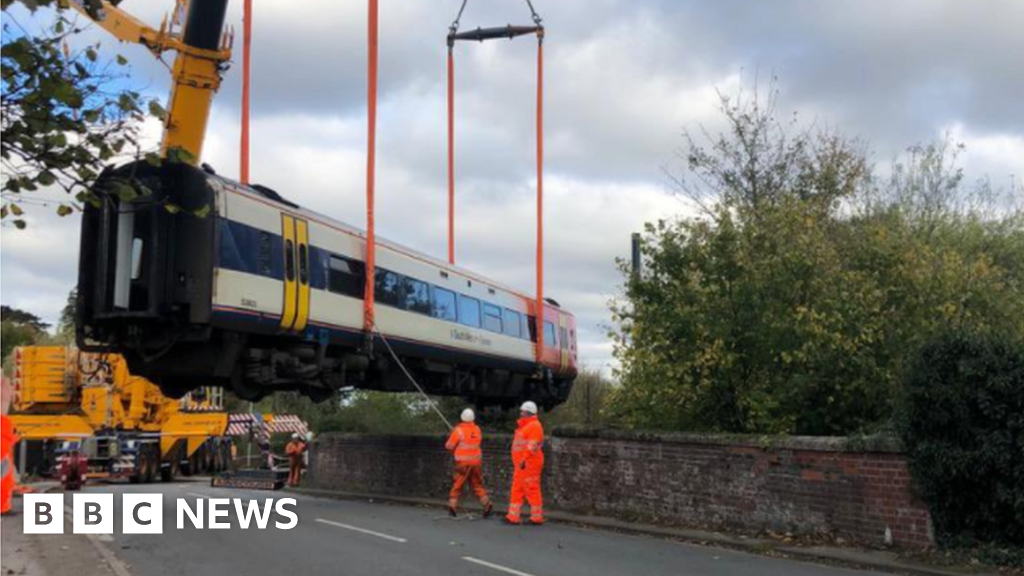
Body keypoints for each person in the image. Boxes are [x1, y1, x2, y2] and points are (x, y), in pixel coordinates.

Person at [445, 408, 493, 518]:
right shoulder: (477, 429)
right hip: (476, 462)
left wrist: (453, 435)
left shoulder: (458, 431)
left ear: (462, 417)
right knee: (477, 484)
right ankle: (487, 504)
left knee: (458, 484)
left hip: (463, 463)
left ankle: (452, 507)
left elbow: (449, 446)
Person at [506, 400, 545, 525]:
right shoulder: (526, 426)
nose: (521, 413)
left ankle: (536, 518)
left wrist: (523, 459)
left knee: (532, 489)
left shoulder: (534, 426)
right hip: (522, 464)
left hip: (529, 463)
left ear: (528, 413)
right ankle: (513, 517)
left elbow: (531, 446)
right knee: (517, 489)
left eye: (523, 411)